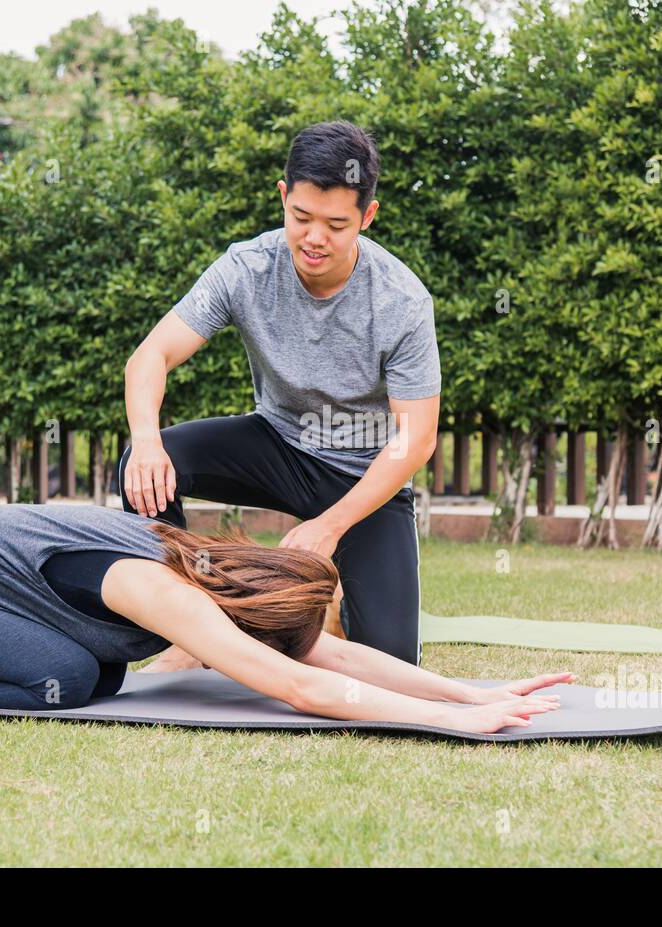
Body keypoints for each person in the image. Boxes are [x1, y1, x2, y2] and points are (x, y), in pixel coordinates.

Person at [0, 503, 575, 735]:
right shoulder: (163, 590)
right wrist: (450, 727)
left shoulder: (204, 567)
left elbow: (330, 663)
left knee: (99, 674)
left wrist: (470, 692)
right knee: (62, 680)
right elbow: (304, 686)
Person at [119, 120, 439, 672]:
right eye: (301, 217)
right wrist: (146, 440)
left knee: (390, 670)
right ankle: (189, 624)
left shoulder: (402, 300)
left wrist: (329, 527)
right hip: (279, 444)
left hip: (364, 474)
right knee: (151, 463)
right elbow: (151, 356)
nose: (315, 238)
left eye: (336, 225)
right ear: (283, 196)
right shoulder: (246, 268)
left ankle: (328, 607)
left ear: (367, 216)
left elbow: (416, 440)